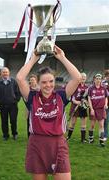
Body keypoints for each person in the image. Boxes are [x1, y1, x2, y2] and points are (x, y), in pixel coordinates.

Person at [16, 45, 81, 180]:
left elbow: (77, 78)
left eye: (51, 81)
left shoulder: (61, 96)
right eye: (44, 82)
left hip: (58, 143)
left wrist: (62, 57)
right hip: (37, 144)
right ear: (38, 83)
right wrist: (34, 57)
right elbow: (20, 78)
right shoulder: (32, 97)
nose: (48, 85)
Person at [0, 67, 21, 140]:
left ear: (9, 73)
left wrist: (16, 100)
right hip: (3, 105)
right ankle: (5, 135)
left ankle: (14, 134)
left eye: (6, 72)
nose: (5, 73)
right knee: (4, 121)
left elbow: (18, 92)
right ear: (1, 73)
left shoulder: (13, 81)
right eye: (3, 72)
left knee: (13, 120)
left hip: (13, 105)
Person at [67, 72, 88, 143]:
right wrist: (75, 101)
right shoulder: (76, 85)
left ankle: (83, 139)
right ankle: (68, 137)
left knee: (83, 123)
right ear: (80, 78)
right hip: (75, 105)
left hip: (83, 106)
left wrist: (84, 102)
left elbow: (88, 98)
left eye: (84, 77)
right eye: (82, 77)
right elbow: (71, 96)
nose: (83, 78)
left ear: (86, 79)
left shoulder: (86, 87)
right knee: (73, 122)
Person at [88, 73, 108, 147]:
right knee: (92, 125)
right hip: (93, 109)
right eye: (97, 78)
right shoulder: (91, 89)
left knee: (101, 125)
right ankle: (91, 138)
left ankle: (101, 141)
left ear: (101, 80)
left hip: (101, 109)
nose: (98, 80)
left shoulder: (104, 88)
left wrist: (105, 104)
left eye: (99, 79)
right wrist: (91, 109)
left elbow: (106, 97)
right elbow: (89, 99)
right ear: (94, 79)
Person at [102, 69, 109, 141]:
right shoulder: (103, 83)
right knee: (105, 120)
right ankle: (105, 135)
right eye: (107, 75)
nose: (108, 77)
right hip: (106, 104)